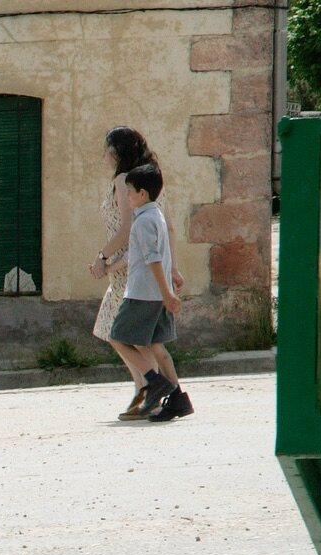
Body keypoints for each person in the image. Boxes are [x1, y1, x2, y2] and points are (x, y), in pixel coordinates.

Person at [89, 127, 185, 420]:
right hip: (146, 268)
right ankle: (170, 395)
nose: (104, 155)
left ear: (118, 152)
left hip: (131, 269)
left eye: (108, 149)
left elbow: (129, 228)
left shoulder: (125, 181)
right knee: (148, 339)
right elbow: (167, 226)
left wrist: (103, 257)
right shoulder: (151, 178)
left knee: (120, 333)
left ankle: (149, 389)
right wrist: (174, 268)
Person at [110, 163, 192, 422]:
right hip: (156, 294)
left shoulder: (143, 221)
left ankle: (154, 381)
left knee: (117, 337)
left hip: (143, 293)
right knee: (157, 346)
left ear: (142, 193)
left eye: (130, 192)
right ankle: (178, 398)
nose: (127, 196)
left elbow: (152, 258)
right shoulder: (156, 215)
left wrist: (167, 292)